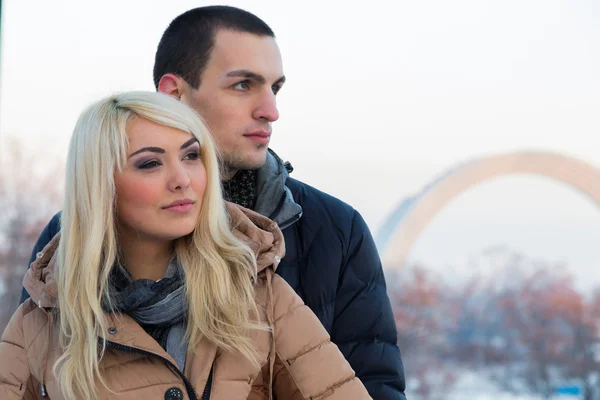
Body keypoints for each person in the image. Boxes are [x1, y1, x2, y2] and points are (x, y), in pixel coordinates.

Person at [20, 6, 406, 398]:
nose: (270, 111)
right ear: (174, 94)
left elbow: (375, 386)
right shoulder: (69, 236)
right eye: (243, 85)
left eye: (275, 88)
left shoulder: (335, 229)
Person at [1, 91, 371, 400]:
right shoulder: (41, 323)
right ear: (102, 187)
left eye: (192, 155)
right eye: (150, 164)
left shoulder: (261, 296)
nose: (182, 180)